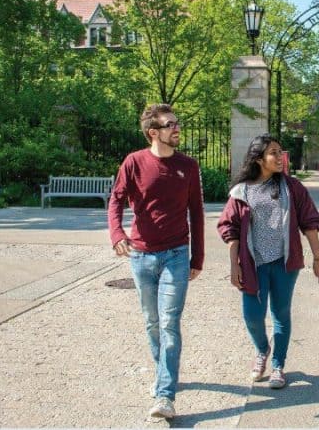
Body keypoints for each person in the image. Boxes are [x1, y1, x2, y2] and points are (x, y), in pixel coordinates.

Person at [108, 103, 204, 420]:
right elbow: (116, 200)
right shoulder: (134, 162)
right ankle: (164, 369)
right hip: (141, 255)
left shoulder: (188, 166)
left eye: (177, 123)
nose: (177, 128)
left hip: (177, 254)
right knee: (152, 322)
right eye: (170, 124)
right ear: (154, 132)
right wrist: (116, 233)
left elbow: (197, 213)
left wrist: (197, 256)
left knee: (169, 323)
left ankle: (165, 395)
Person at [217, 134, 319, 390]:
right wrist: (234, 265)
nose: (280, 157)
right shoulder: (241, 191)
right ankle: (262, 349)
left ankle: (278, 364)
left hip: (284, 263)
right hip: (252, 264)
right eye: (273, 153)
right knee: (252, 316)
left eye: (281, 152)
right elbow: (229, 229)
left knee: (281, 314)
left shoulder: (291, 187)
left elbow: (310, 222)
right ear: (258, 159)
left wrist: (318, 257)